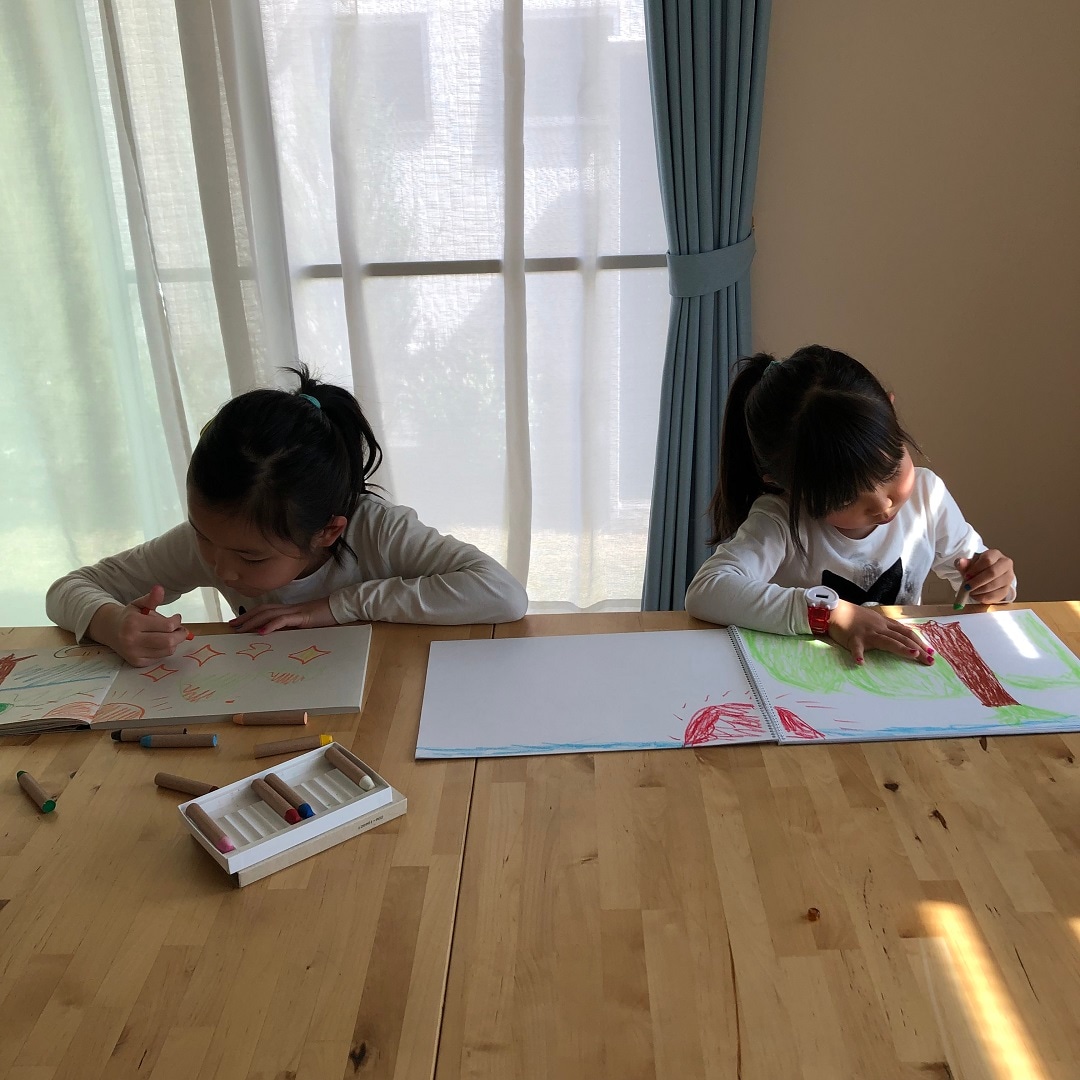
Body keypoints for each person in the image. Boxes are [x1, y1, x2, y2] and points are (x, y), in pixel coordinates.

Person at [47, 365, 528, 666]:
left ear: (328, 531)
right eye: (202, 534)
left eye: (251, 559)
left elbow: (502, 594)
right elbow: (68, 588)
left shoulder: (379, 531)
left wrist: (335, 607)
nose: (221, 568)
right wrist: (111, 623)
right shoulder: (212, 542)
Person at [684, 345, 1015, 663]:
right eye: (844, 498)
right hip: (810, 678)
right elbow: (707, 590)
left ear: (892, 415)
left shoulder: (928, 496)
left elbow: (981, 584)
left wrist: (995, 583)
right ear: (784, 484)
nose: (883, 504)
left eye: (890, 470)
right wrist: (828, 614)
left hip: (901, 675)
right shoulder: (780, 520)